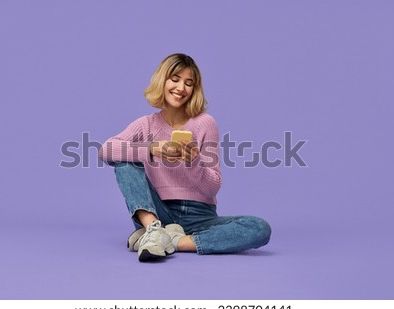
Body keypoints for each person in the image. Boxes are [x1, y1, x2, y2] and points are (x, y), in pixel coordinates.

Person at [99, 53, 271, 262]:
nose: (181, 88)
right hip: (157, 212)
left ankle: (172, 241)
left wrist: (194, 161)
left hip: (199, 217)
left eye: (189, 83)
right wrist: (152, 149)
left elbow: (213, 188)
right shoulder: (146, 124)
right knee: (124, 161)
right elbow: (106, 150)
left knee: (259, 228)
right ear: (162, 81)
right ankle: (153, 230)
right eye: (175, 79)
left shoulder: (205, 123)